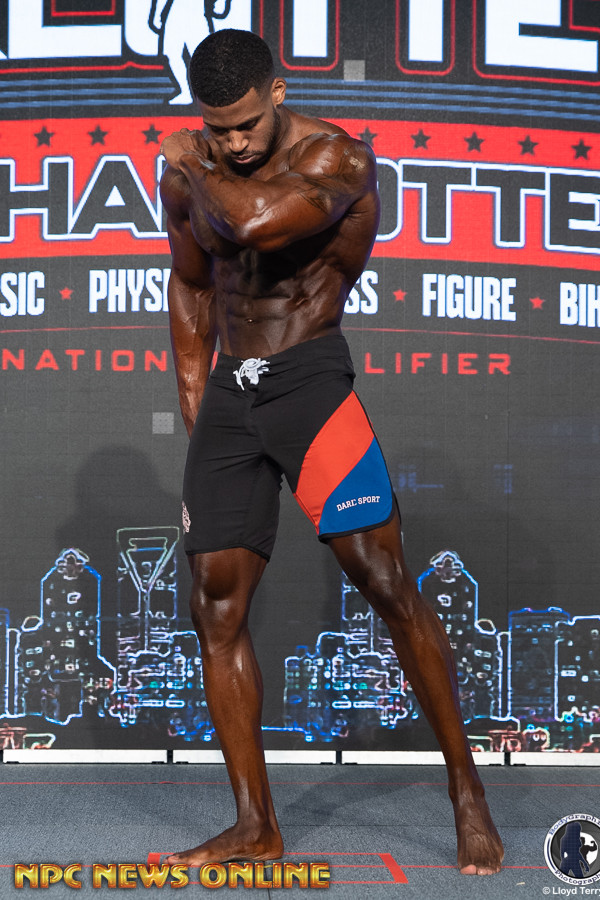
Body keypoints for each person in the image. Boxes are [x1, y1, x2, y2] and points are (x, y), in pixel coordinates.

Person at [159, 28, 504, 876]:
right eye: (216, 129)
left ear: (277, 93)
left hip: (309, 380)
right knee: (215, 607)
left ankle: (466, 792)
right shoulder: (191, 171)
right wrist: (201, 414)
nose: (234, 143)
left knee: (386, 583)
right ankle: (255, 825)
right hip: (232, 395)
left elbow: (254, 224)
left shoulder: (337, 160)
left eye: (246, 124)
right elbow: (194, 285)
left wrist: (190, 161)